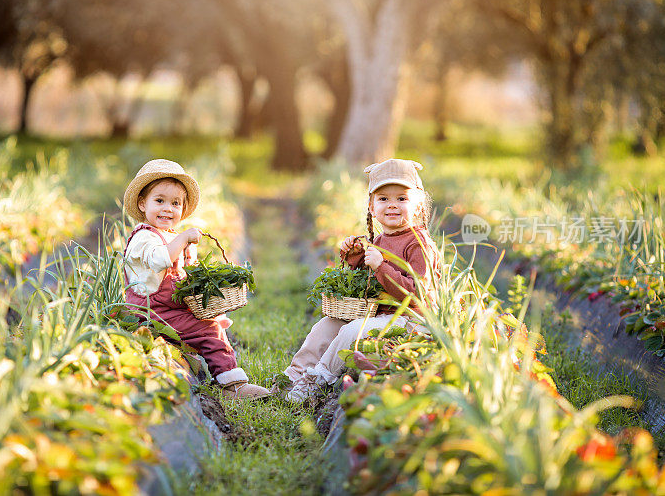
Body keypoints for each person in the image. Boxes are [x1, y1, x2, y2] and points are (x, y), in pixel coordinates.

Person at [282, 158, 441, 403]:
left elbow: (418, 293)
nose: (392, 205)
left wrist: (381, 266)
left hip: (410, 321)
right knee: (327, 324)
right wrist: (354, 255)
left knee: (352, 330)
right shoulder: (379, 240)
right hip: (379, 314)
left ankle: (317, 380)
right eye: (383, 199)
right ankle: (294, 376)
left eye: (402, 198)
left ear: (418, 205)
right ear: (371, 206)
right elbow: (368, 281)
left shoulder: (418, 243)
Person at [122, 159, 270, 400]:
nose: (167, 209)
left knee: (213, 320)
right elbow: (162, 260)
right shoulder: (144, 238)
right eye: (159, 201)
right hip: (150, 311)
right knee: (208, 328)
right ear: (142, 203)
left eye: (175, 203)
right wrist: (183, 238)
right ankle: (232, 385)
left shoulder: (168, 236)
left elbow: (179, 276)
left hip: (168, 308)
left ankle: (221, 370)